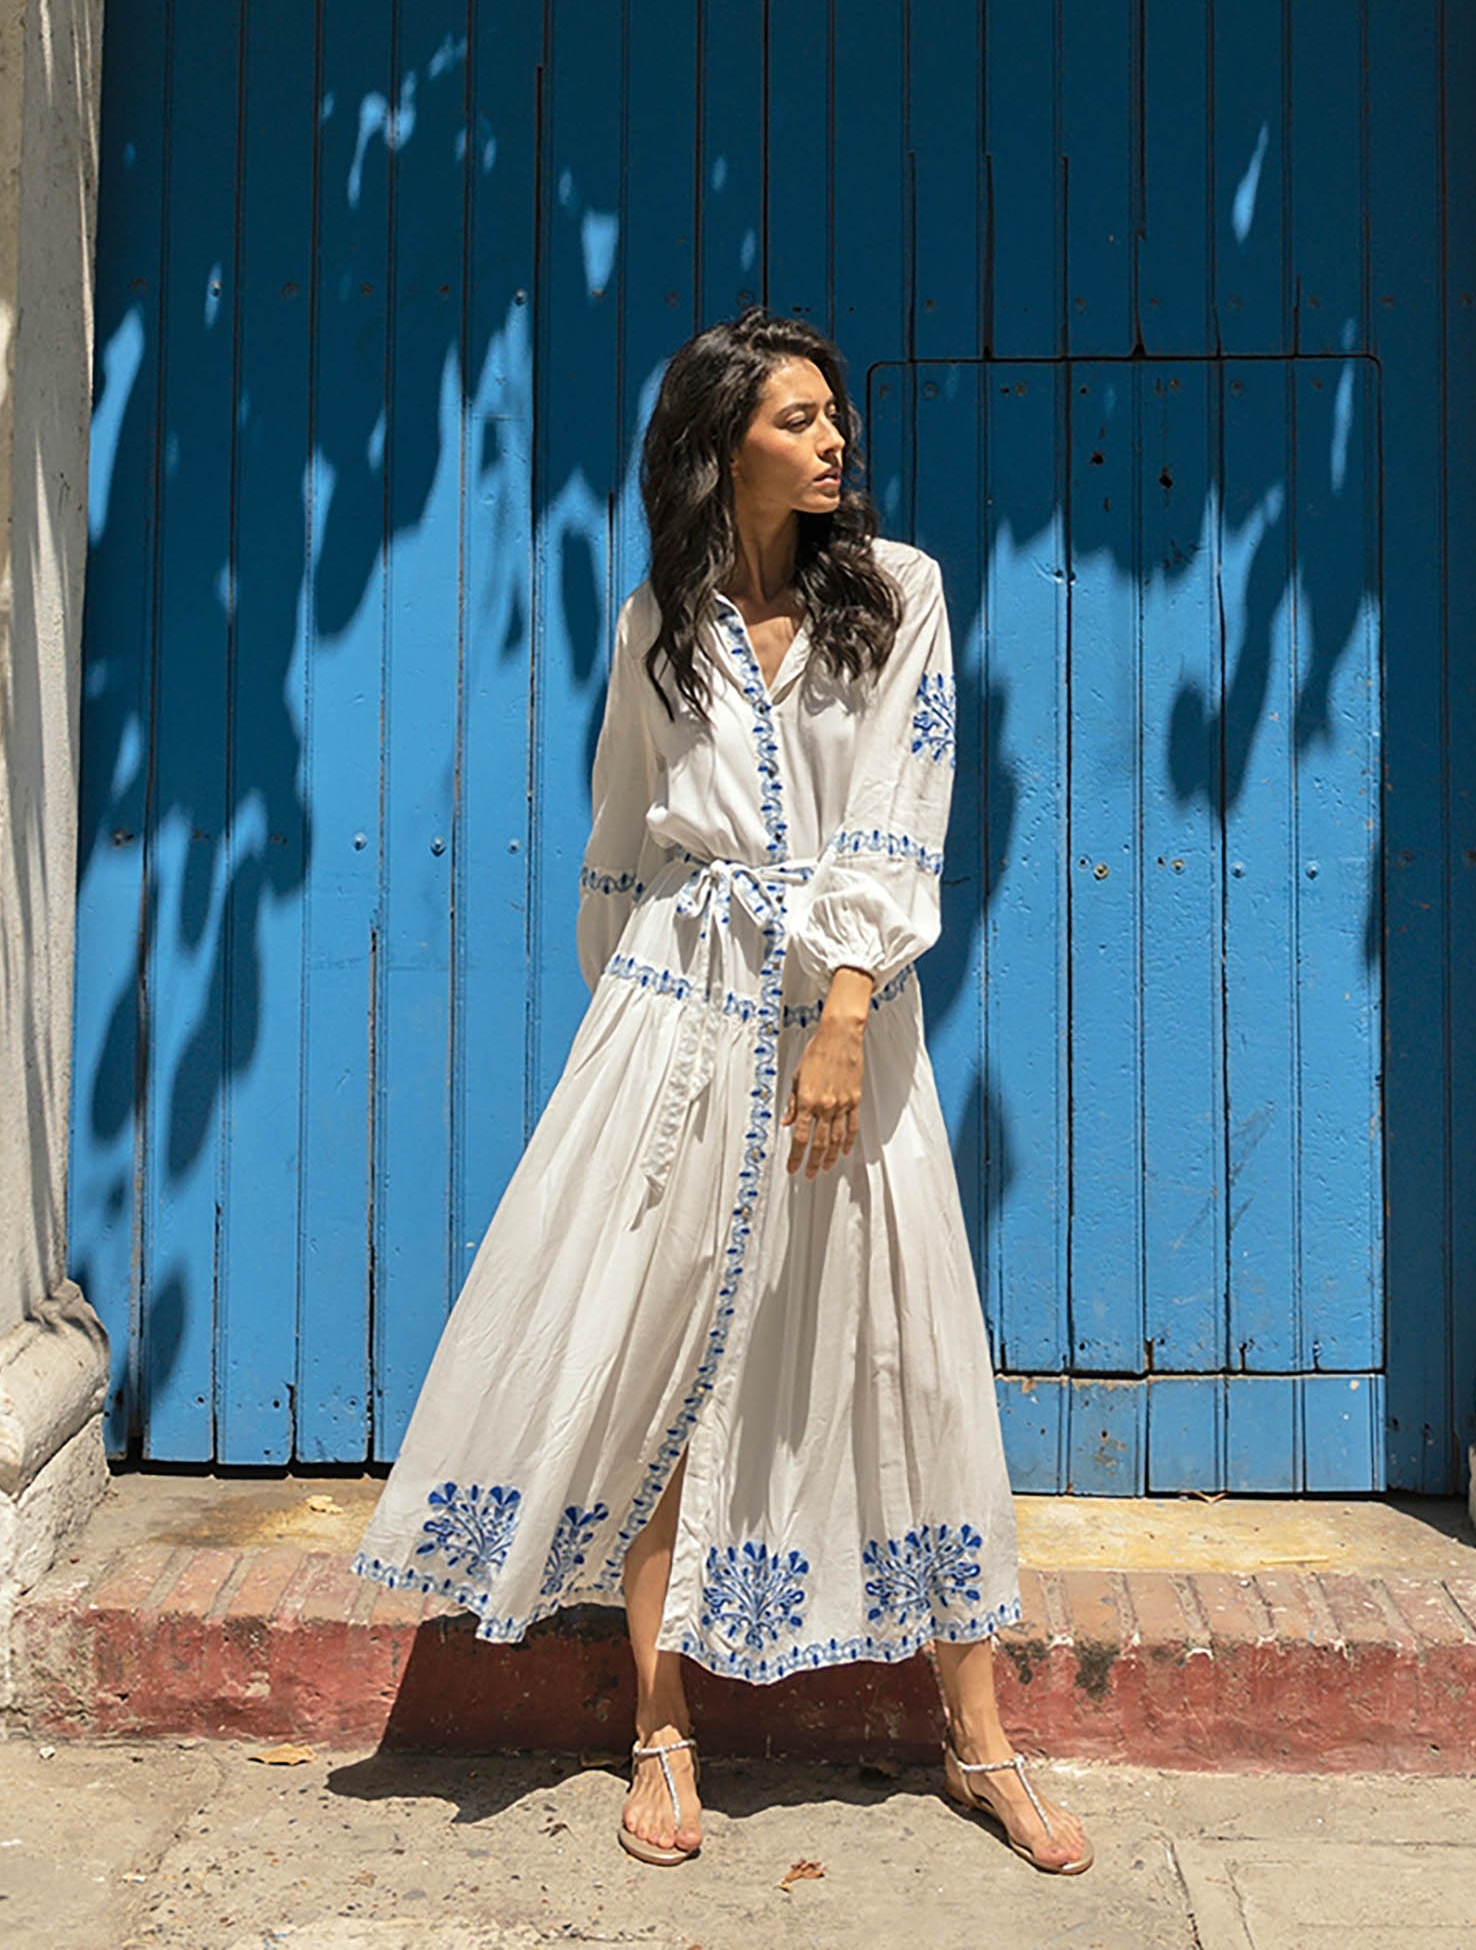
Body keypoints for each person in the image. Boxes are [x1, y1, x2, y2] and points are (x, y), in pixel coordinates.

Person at [352, 310, 1089, 1877]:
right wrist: (637, 1028)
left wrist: (840, 1007)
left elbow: (904, 814)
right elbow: (626, 836)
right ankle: (661, 1725)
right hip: (676, 1017)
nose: (835, 442)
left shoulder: (900, 599)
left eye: (838, 417)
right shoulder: (656, 624)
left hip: (843, 1017)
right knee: (664, 1356)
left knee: (901, 1347)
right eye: (798, 420)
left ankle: (982, 1740)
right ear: (720, 445)